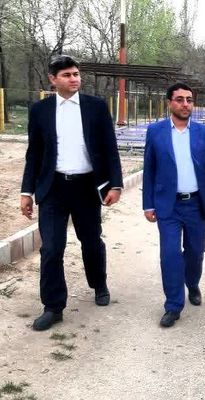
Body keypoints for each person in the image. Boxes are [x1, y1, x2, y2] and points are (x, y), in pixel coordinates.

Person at [20, 54, 123, 331]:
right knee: (51, 248)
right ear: (53, 80)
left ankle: (99, 283)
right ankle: (53, 307)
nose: (74, 79)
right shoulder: (40, 110)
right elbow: (34, 154)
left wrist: (115, 184)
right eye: (67, 75)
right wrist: (26, 191)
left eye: (76, 74)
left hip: (87, 187)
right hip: (53, 188)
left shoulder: (96, 107)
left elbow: (110, 148)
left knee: (91, 241)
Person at [142, 83, 205, 328]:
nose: (185, 104)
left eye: (189, 100)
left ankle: (192, 283)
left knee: (195, 252)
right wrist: (148, 204)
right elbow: (149, 169)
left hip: (197, 204)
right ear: (169, 103)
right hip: (168, 206)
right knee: (169, 254)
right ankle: (173, 305)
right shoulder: (155, 132)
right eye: (179, 99)